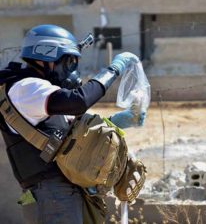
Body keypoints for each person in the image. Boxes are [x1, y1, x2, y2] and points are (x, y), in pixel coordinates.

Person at [0, 24, 146, 223]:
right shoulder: (25, 87)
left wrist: (116, 121)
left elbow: (72, 132)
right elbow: (77, 102)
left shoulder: (40, 91)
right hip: (52, 191)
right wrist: (113, 69)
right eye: (68, 62)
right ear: (47, 57)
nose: (71, 71)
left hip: (63, 190)